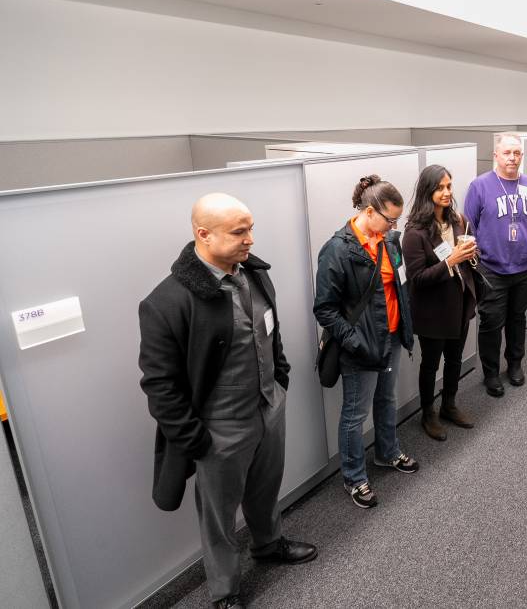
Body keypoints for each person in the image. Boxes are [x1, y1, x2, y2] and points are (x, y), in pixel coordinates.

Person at [139, 193, 317, 608]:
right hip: (219, 428)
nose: (250, 239)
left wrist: (282, 379)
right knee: (218, 516)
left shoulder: (252, 274)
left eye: (250, 228)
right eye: (239, 231)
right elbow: (159, 384)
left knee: (266, 486)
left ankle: (268, 544)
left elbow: (270, 332)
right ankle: (225, 592)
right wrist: (195, 440)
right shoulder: (167, 302)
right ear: (203, 234)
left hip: (269, 407)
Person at [314, 176, 418, 509]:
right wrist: (355, 343)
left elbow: (398, 285)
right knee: (355, 414)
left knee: (386, 399)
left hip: (390, 336)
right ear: (370, 211)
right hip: (360, 346)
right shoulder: (338, 249)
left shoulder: (389, 241)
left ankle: (387, 453)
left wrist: (405, 328)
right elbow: (325, 310)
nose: (394, 226)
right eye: (390, 219)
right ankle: (354, 477)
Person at [464, 133, 527, 398]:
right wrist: (477, 263)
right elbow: (468, 227)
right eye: (507, 153)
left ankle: (514, 364)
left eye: (517, 153)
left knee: (516, 319)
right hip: (492, 270)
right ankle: (490, 372)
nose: (513, 157)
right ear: (496, 156)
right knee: (491, 323)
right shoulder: (480, 186)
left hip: (525, 268)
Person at [402, 165, 478, 441]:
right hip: (433, 311)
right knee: (431, 364)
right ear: (427, 191)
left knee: (455, 360)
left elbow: (465, 261)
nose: (447, 192)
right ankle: (428, 414)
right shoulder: (414, 233)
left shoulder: (458, 220)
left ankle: (449, 405)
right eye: (440, 188)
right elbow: (418, 279)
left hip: (459, 303)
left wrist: (470, 255)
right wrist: (451, 261)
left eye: (449, 186)